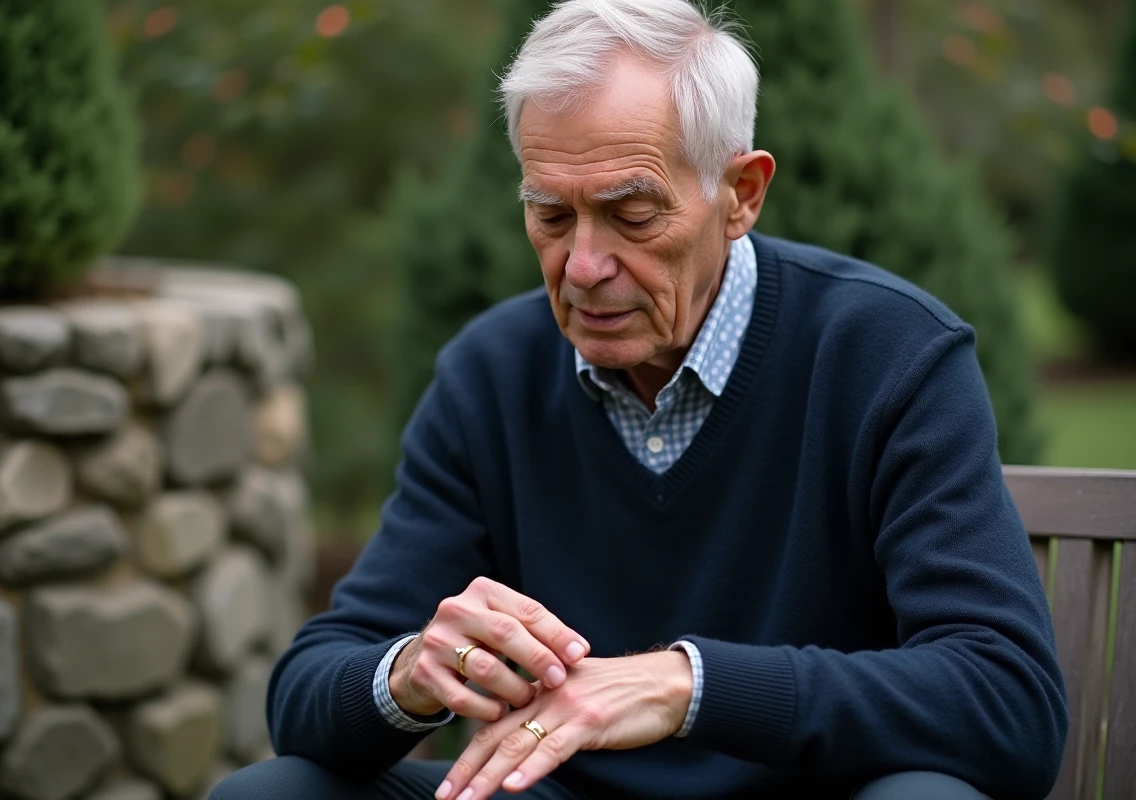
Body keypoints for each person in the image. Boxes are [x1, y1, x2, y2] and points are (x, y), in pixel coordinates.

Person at [211, 0, 1068, 798]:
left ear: (741, 195)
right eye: (551, 215)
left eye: (631, 214)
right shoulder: (489, 373)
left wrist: (689, 685)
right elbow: (306, 691)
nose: (584, 266)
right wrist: (409, 672)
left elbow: (1008, 699)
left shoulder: (889, 354)